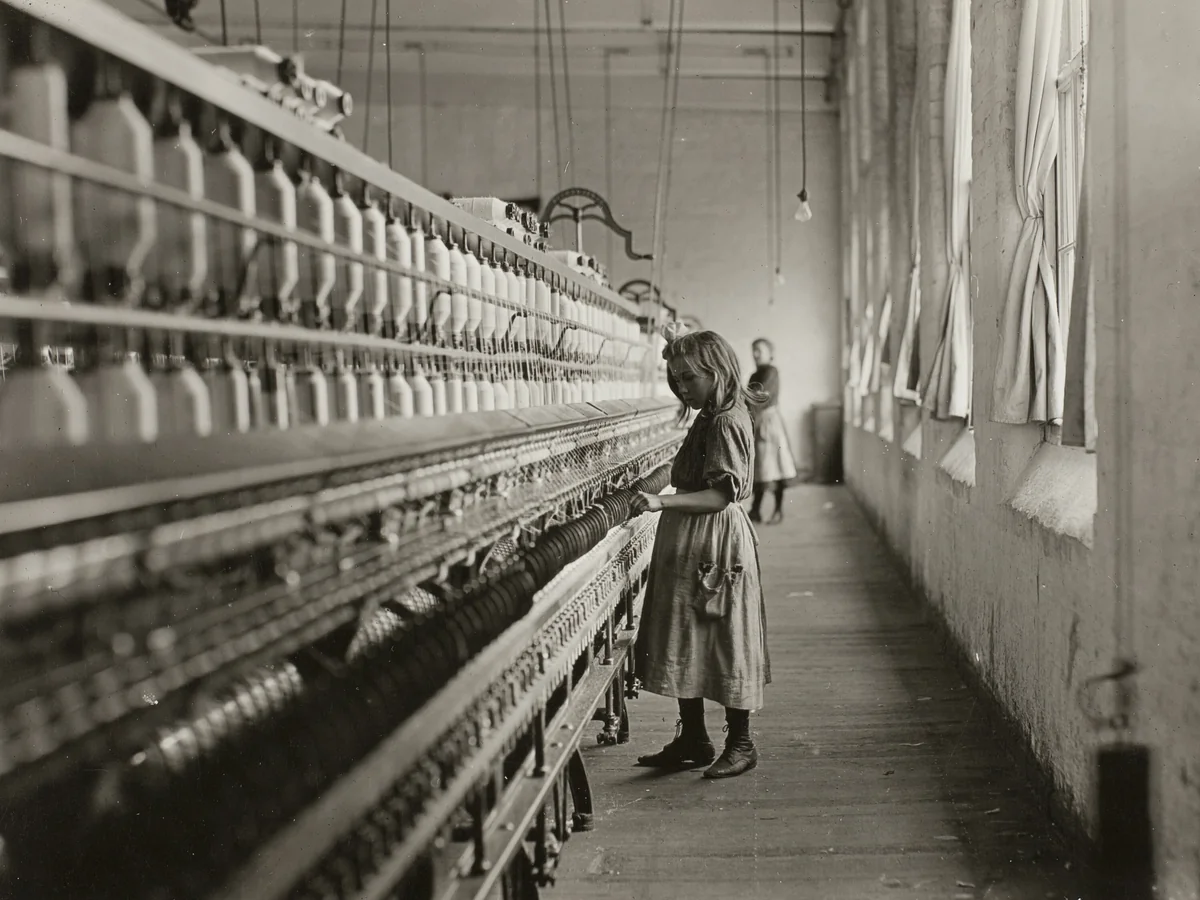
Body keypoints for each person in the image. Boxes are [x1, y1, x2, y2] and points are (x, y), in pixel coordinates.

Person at [630, 326, 771, 779]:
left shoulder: (727, 419)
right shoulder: (710, 412)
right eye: (675, 379)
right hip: (693, 538)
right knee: (686, 633)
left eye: (690, 378)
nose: (681, 388)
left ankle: (742, 743)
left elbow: (720, 496)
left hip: (714, 538)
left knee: (725, 636)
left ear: (717, 371)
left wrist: (659, 501)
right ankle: (693, 738)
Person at [747, 338, 797, 524]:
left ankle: (778, 510)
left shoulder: (771, 372)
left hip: (769, 423)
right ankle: (756, 510)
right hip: (758, 422)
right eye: (753, 350)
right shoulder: (754, 375)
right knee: (760, 467)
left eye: (759, 350)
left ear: (770, 353)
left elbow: (761, 396)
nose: (755, 354)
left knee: (776, 467)